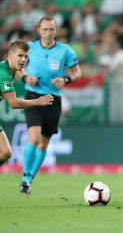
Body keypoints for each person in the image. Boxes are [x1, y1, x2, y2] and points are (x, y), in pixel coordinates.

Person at [18, 17, 82, 194]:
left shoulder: (65, 51)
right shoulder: (29, 48)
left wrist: (65, 79)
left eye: (51, 30)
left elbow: (77, 72)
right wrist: (24, 77)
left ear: (56, 31)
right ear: (38, 30)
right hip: (33, 96)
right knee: (34, 137)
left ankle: (30, 179)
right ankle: (24, 177)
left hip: (53, 99)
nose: (47, 33)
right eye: (44, 29)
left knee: (44, 144)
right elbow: (16, 67)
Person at [0, 40, 53, 167]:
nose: (23, 60)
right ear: (10, 56)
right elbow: (13, 103)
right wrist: (38, 101)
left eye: (26, 56)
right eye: (20, 56)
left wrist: (25, 78)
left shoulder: (9, 68)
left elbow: (18, 71)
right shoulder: (3, 74)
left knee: (6, 153)